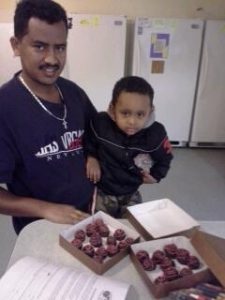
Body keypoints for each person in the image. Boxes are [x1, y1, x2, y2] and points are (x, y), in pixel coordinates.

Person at [0, 0, 97, 234]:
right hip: (40, 228)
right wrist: (45, 209)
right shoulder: (5, 107)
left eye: (60, 47)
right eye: (40, 46)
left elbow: (100, 137)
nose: (53, 59)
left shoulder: (74, 93)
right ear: (16, 45)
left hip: (89, 214)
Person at [85, 76, 173, 218]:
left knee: (135, 227)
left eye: (140, 114)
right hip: (103, 191)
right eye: (125, 113)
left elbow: (166, 157)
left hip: (132, 191)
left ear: (150, 112)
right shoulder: (100, 123)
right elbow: (89, 140)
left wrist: (156, 176)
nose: (132, 121)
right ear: (113, 110)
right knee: (99, 226)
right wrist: (92, 157)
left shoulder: (156, 134)